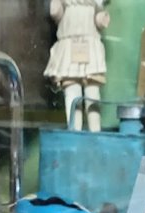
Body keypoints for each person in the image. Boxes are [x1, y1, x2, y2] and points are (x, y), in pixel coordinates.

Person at [45, 0, 109, 131]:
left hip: (89, 43)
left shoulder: (93, 3)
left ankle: (95, 130)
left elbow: (98, 16)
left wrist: (101, 19)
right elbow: (57, 14)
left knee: (92, 90)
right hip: (70, 42)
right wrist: (55, 10)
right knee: (72, 89)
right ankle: (74, 130)